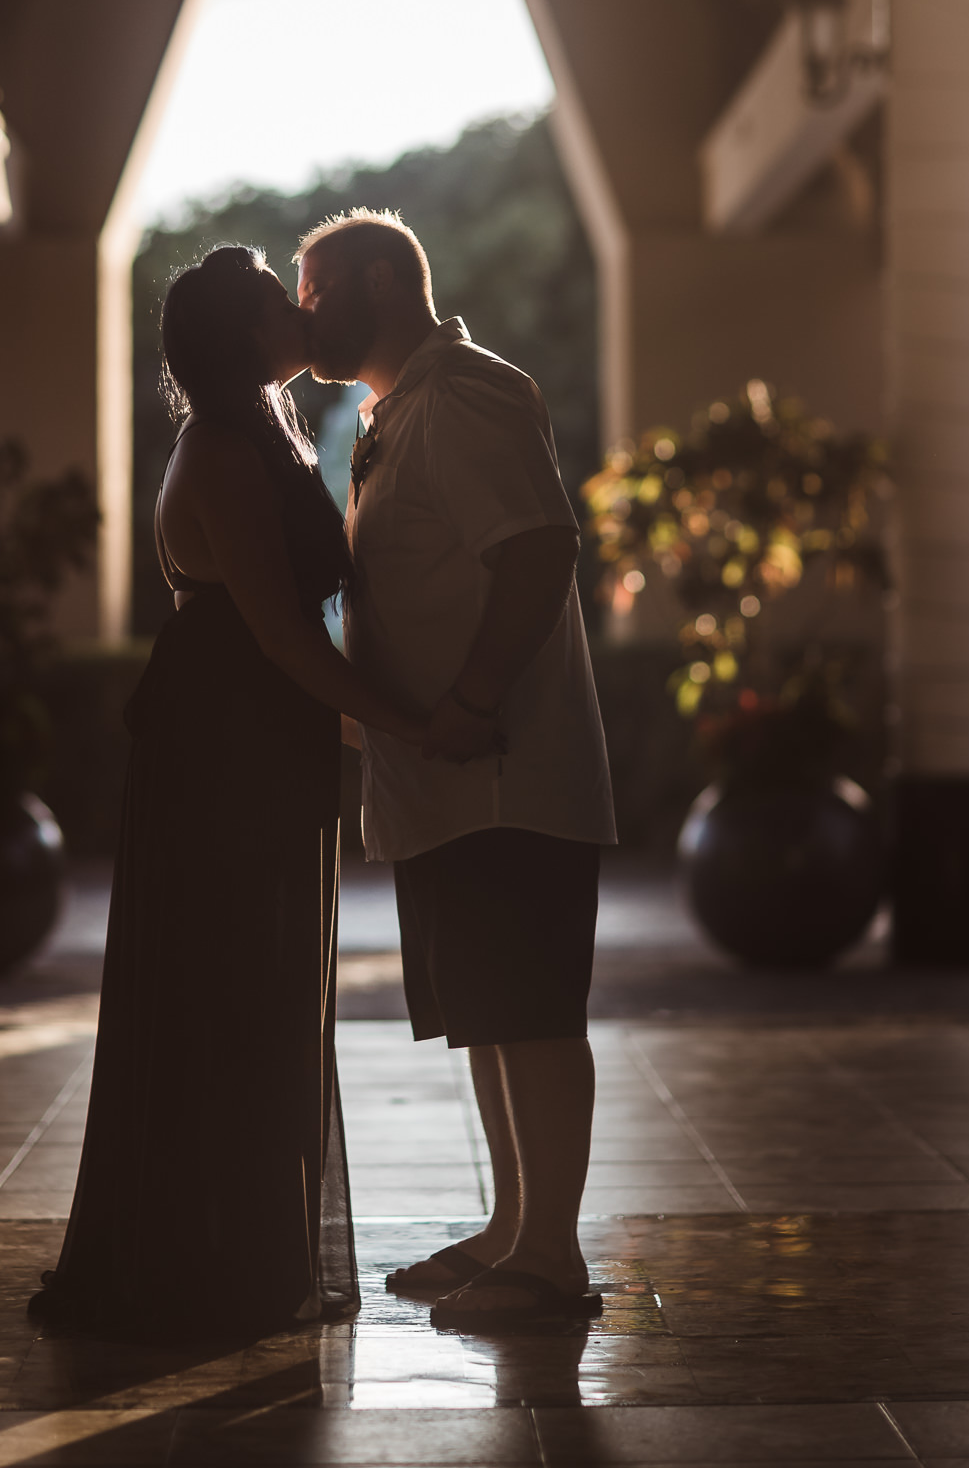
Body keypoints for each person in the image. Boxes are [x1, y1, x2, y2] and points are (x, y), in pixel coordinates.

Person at [30, 245, 420, 1340]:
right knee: (235, 987)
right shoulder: (222, 449)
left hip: (256, 737)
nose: (302, 306)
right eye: (278, 296)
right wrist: (408, 723)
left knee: (259, 987)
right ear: (251, 334)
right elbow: (282, 635)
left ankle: (236, 1245)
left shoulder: (263, 430)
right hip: (226, 749)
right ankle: (212, 1257)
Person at [296, 209, 617, 1331]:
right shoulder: (397, 411)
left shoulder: (469, 390)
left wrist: (472, 696)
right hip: (445, 777)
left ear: (386, 281)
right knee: (488, 1008)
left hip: (503, 767)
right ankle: (512, 1227)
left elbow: (537, 546)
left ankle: (552, 1252)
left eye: (319, 284)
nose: (303, 308)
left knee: (530, 1005)